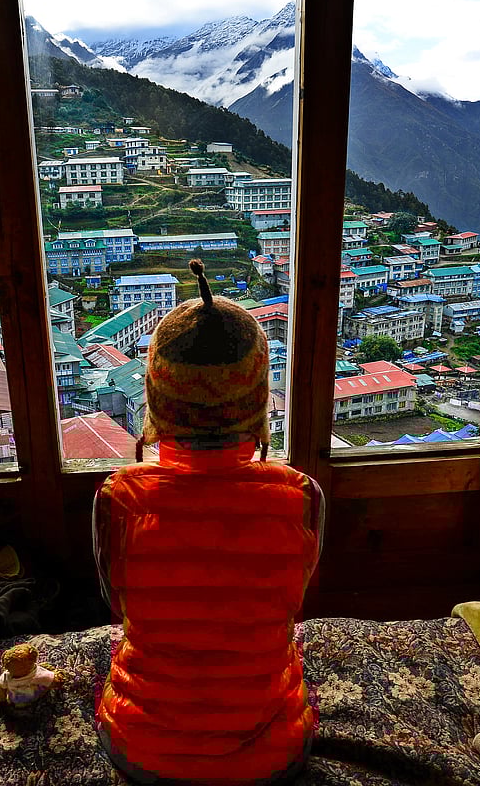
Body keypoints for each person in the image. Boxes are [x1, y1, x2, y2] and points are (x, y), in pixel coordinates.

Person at [93, 260, 325, 785]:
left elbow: (118, 604)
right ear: (257, 399)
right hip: (273, 755)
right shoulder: (302, 497)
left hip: (142, 751)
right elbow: (291, 604)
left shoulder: (118, 498)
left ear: (156, 396)